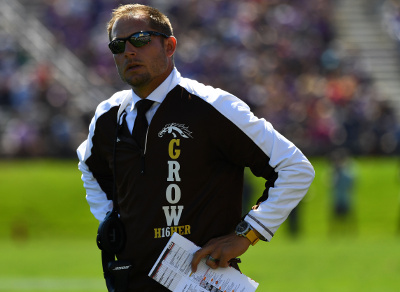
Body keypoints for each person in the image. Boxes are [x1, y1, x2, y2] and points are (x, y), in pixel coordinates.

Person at [77, 4, 315, 291]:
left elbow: (294, 168)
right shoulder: (107, 117)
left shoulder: (212, 106)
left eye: (139, 39)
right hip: (131, 282)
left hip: (202, 283)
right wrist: (111, 219)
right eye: (118, 45)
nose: (128, 51)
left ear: (169, 46)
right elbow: (89, 167)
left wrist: (247, 234)